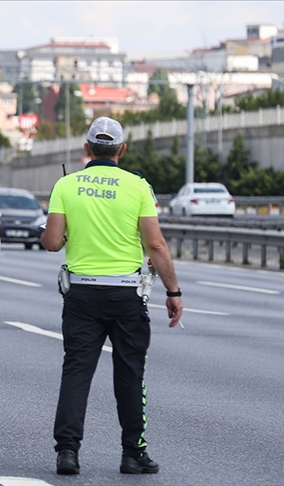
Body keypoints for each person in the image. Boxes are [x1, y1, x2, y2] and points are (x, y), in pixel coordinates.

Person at [41, 116, 184, 476]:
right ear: (122, 150)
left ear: (86, 148)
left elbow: (52, 243)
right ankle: (133, 454)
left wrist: (64, 232)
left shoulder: (66, 185)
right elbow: (155, 244)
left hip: (82, 294)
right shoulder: (138, 186)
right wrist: (173, 291)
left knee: (76, 372)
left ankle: (67, 453)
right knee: (130, 375)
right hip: (126, 296)